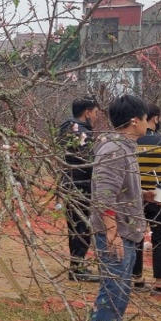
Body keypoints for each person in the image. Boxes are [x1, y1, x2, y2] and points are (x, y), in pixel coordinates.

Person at [82, 93, 152, 321]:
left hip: (127, 229)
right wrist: (111, 233)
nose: (149, 125)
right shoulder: (113, 149)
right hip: (116, 232)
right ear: (134, 121)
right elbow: (103, 195)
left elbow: (118, 189)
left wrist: (141, 195)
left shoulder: (126, 147)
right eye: (146, 119)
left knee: (121, 287)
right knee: (112, 287)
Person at [134, 103, 161, 295]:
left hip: (137, 193)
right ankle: (159, 283)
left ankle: (136, 279)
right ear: (155, 118)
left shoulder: (132, 142)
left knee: (136, 237)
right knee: (160, 239)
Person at [58, 97, 101, 282]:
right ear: (87, 112)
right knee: (82, 226)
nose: (96, 117)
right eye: (95, 113)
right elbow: (90, 162)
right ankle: (77, 269)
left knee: (75, 226)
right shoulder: (82, 133)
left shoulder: (65, 129)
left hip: (68, 183)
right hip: (81, 185)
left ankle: (77, 265)